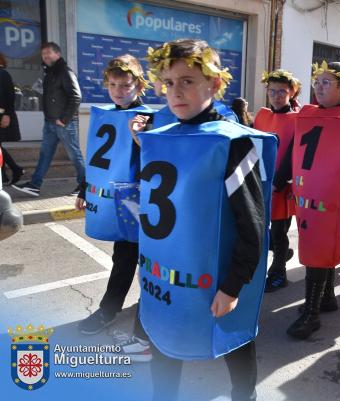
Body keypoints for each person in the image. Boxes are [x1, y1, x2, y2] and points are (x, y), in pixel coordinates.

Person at [130, 39, 276, 401]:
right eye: (168, 82)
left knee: (233, 341)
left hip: (217, 279)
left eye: (187, 81)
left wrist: (232, 286)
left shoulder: (232, 143)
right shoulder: (158, 138)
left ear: (214, 84)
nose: (175, 91)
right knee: (164, 344)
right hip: (165, 277)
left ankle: (245, 396)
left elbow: (253, 225)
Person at [274, 60, 340, 339]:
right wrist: (279, 178)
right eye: (317, 82)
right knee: (317, 249)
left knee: (319, 253)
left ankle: (311, 314)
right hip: (308, 196)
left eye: (326, 83)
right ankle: (327, 297)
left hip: (336, 200)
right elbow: (294, 151)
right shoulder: (307, 115)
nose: (319, 88)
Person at [75, 54, 153, 336]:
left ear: (139, 85)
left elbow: (158, 160)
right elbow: (97, 160)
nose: (118, 90)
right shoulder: (105, 115)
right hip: (114, 198)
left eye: (125, 85)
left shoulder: (148, 118)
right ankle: (110, 309)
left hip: (140, 199)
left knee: (145, 260)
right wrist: (85, 188)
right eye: (113, 84)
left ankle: (143, 312)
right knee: (123, 256)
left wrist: (142, 135)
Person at [12, 42, 85, 197]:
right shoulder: (50, 72)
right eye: (43, 54)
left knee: (74, 155)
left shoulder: (65, 71)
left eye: (48, 53)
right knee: (45, 154)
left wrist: (64, 119)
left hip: (64, 123)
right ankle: (34, 185)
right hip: (50, 123)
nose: (45, 56)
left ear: (57, 54)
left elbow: (76, 97)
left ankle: (85, 186)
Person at [254, 69, 301, 292]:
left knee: (279, 230)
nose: (276, 95)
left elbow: (295, 154)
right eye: (271, 91)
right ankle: (279, 254)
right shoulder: (262, 115)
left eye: (282, 91)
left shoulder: (298, 119)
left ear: (291, 92)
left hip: (282, 184)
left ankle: (278, 272)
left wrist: (279, 182)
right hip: (261, 180)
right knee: (262, 227)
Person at [0, 52, 24, 185]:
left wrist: (7, 114)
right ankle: (6, 174)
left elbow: (9, 96)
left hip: (2, 115)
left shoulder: (3, 74)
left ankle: (14, 170)